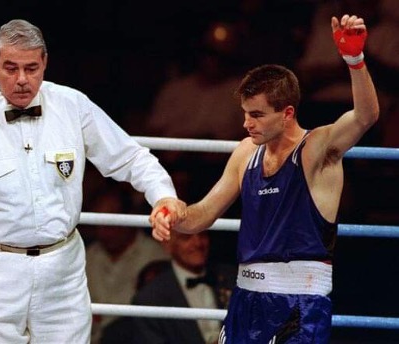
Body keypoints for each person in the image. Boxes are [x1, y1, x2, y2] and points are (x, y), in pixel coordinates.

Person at [0, 19, 186, 344]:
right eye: (11, 68)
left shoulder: (72, 106)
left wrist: (163, 195)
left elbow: (131, 157)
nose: (22, 79)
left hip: (62, 268)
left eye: (31, 68)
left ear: (45, 63)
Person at [151, 14, 379, 343]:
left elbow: (365, 116)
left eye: (256, 115)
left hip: (300, 305)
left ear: (287, 114)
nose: (246, 123)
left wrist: (354, 60)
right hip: (246, 300)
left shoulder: (316, 149)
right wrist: (173, 214)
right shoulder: (246, 152)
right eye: (245, 113)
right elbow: (203, 214)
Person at [85, 186, 170, 344]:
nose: (103, 233)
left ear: (127, 218)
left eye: (110, 225)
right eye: (98, 225)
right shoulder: (88, 255)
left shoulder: (154, 255)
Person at [131, 231, 236, 344]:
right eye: (186, 237)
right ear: (167, 245)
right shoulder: (149, 298)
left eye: (202, 235)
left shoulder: (232, 277)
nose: (198, 243)